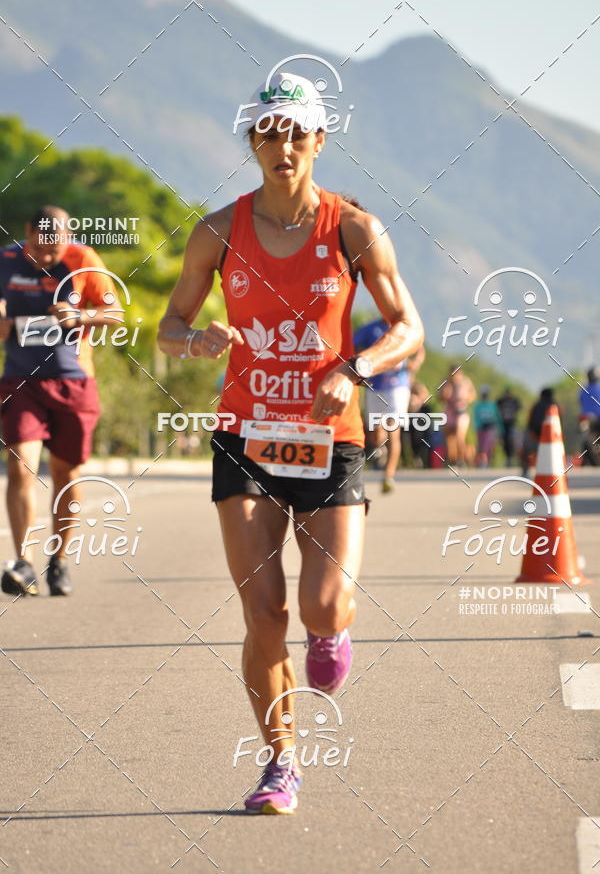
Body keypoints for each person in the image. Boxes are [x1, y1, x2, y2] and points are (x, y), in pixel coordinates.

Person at [157, 71, 424, 814]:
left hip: (329, 439)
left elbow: (409, 328)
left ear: (319, 140)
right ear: (252, 140)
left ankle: (332, 633)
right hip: (245, 435)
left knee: (324, 606)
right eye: (270, 133)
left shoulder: (354, 229)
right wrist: (195, 340)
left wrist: (354, 368)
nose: (284, 146)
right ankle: (281, 763)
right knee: (264, 611)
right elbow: (168, 327)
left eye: (298, 133)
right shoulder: (217, 231)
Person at [0, 206, 120, 597]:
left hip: (73, 381)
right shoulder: (6, 259)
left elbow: (115, 313)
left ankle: (60, 560)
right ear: (27, 234)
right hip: (21, 380)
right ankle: (23, 563)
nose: (46, 258)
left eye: (55, 250)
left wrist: (79, 316)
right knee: (20, 465)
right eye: (39, 249)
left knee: (66, 475)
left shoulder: (83, 259)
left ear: (68, 239)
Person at [354, 318, 423, 492]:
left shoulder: (404, 326)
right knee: (376, 434)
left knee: (393, 430)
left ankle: (388, 476)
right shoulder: (370, 329)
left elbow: (419, 345)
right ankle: (381, 450)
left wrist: (415, 363)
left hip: (397, 387)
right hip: (375, 386)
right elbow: (353, 345)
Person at [440, 365, 476, 466]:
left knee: (460, 436)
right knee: (449, 437)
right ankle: (452, 459)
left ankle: (461, 458)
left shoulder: (465, 382)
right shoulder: (446, 383)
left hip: (461, 411)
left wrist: (465, 400)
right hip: (449, 411)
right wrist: (445, 394)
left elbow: (473, 395)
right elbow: (440, 397)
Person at [521, 387, 558, 476]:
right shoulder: (555, 407)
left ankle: (525, 471)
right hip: (551, 438)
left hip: (535, 436)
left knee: (525, 450)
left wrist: (532, 434)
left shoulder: (535, 406)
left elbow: (529, 422)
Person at [473, 385, 503, 467]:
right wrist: (477, 427)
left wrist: (500, 430)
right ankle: (481, 462)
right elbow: (475, 418)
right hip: (481, 428)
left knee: (489, 445)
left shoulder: (492, 405)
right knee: (481, 446)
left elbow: (497, 418)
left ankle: (488, 461)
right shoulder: (478, 405)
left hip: (490, 428)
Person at [578, 367, 600, 465]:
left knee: (585, 437)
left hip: (586, 418)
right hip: (597, 418)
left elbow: (581, 402)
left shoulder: (583, 390)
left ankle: (584, 460)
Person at [496, 386, 521, 465]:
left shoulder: (514, 401)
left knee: (512, 440)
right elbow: (496, 406)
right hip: (503, 424)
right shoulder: (501, 401)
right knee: (505, 441)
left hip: (512, 424)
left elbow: (519, 407)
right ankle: (507, 458)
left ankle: (512, 458)